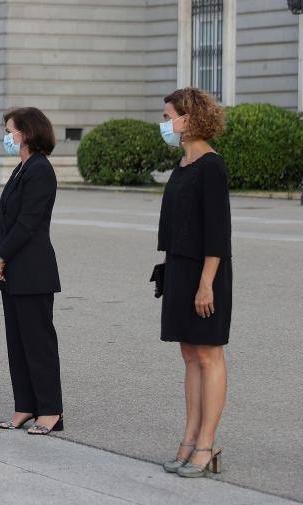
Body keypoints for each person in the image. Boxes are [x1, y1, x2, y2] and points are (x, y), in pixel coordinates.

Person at [157, 87, 230, 478]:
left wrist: (206, 284)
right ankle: (189, 438)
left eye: (168, 116)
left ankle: (207, 442)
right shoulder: (183, 164)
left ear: (188, 118)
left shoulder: (211, 166)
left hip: (206, 272)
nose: (164, 123)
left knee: (208, 355)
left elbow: (217, 233)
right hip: (179, 268)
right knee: (189, 354)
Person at [0, 107, 63, 436]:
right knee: (17, 343)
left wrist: (3, 255)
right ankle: (25, 406)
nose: (7, 136)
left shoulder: (40, 170)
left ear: (27, 133)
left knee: (38, 343)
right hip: (12, 271)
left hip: (33, 270)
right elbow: (5, 216)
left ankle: (50, 410)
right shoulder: (21, 169)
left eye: (10, 131)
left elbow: (28, 222)